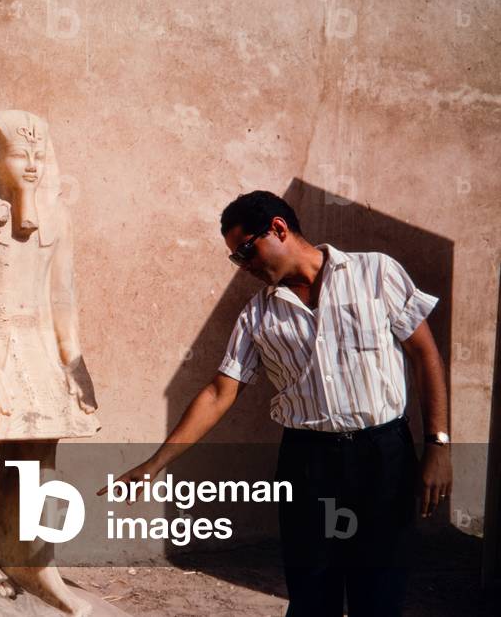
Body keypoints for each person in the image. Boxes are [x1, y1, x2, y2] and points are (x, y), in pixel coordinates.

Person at [104, 190, 452, 617]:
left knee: (379, 594)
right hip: (309, 465)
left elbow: (424, 355)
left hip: (383, 458)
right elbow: (219, 392)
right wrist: (154, 464)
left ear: (279, 228)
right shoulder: (257, 316)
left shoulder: (376, 273)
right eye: (235, 258)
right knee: (311, 597)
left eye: (245, 251)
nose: (242, 265)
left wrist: (438, 444)